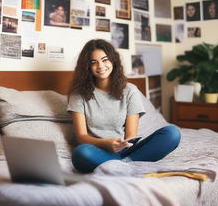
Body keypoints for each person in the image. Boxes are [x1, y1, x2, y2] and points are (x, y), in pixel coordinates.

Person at [67, 39, 181, 173]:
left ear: (113, 61)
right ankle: (129, 165)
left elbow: (131, 137)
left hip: (126, 149)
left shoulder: (130, 91)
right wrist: (106, 143)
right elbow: (81, 137)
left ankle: (124, 164)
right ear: (87, 66)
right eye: (93, 62)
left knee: (172, 133)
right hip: (98, 150)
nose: (100, 66)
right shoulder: (78, 94)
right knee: (81, 153)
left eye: (105, 60)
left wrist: (122, 145)